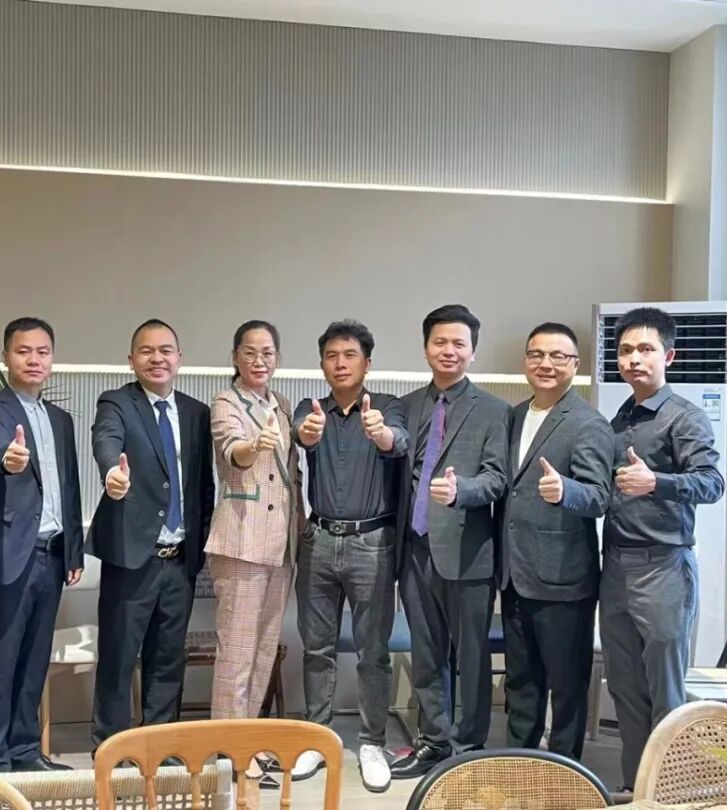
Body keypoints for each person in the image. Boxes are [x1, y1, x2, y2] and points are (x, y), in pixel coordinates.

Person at [599, 306, 724, 793]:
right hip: (615, 569)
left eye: (646, 349)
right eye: (626, 350)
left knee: (665, 693)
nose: (634, 359)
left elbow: (711, 483)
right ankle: (637, 789)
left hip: (663, 569)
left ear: (668, 356)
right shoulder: (620, 418)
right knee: (625, 689)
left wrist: (657, 482)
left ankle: (668, 793)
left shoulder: (684, 417)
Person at [0, 317, 84, 771]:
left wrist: (73, 550)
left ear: (52, 359)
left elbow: (69, 488)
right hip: (9, 555)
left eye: (42, 352)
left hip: (53, 555)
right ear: (6, 356)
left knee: (34, 661)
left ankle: (25, 752)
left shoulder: (60, 420)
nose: (34, 359)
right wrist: (6, 457)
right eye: (23, 351)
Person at [391, 304, 510, 779]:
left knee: (472, 657)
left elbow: (497, 478)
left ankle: (469, 746)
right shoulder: (405, 406)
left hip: (468, 551)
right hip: (414, 549)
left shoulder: (495, 411)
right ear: (426, 348)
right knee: (426, 653)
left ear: (473, 352)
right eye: (440, 342)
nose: (449, 351)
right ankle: (434, 741)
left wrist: (464, 491)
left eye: (459, 343)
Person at [291, 319, 409, 794]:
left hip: (372, 542)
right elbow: (302, 435)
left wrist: (381, 434)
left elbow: (398, 441)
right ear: (322, 364)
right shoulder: (311, 408)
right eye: (331, 356)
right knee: (316, 648)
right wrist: (307, 434)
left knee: (372, 652)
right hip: (318, 540)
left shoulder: (388, 406)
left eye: (350, 355)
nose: (340, 363)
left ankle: (373, 743)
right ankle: (317, 738)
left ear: (367, 363)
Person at [87, 319, 215, 750]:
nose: (156, 358)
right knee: (119, 658)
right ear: (131, 360)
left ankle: (161, 749)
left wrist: (201, 545)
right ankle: (111, 748)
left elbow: (203, 486)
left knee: (168, 659)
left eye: (165, 350)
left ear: (179, 359)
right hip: (132, 558)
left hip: (180, 560)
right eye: (146, 351)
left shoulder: (197, 413)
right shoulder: (117, 403)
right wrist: (112, 472)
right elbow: (106, 441)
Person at [497, 322, 614, 760]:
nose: (546, 363)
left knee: (566, 687)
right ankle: (520, 766)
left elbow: (599, 496)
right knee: (521, 682)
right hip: (514, 574)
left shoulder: (588, 423)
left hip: (564, 579)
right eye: (537, 354)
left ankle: (565, 772)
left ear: (575, 365)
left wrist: (566, 490)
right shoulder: (512, 417)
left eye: (557, 356)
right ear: (526, 360)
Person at [205, 320, 302, 788]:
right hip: (241, 543)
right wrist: (253, 445)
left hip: (281, 545)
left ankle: (249, 739)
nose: (259, 361)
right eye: (250, 352)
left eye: (267, 353)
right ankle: (227, 750)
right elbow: (233, 451)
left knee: (264, 651)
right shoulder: (226, 402)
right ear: (235, 357)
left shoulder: (281, 404)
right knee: (237, 653)